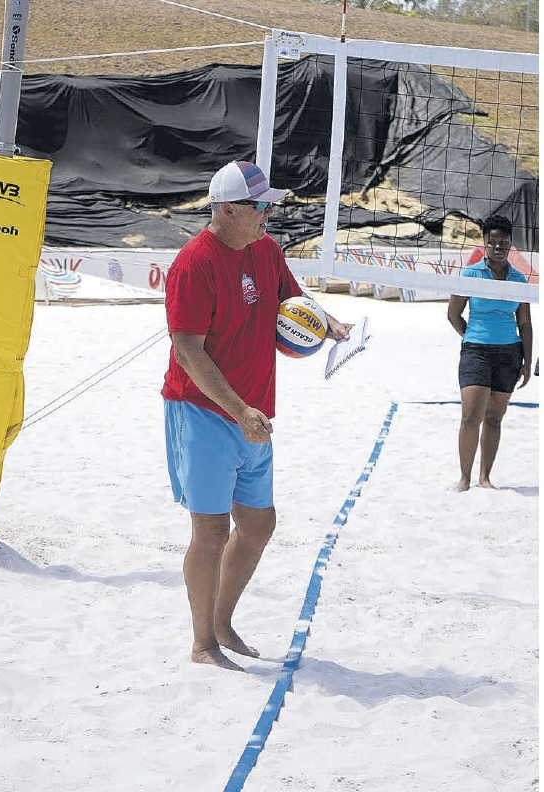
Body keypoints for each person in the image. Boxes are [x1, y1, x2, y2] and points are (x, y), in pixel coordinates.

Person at [162, 160, 350, 672]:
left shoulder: (265, 249)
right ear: (227, 208)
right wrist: (239, 409)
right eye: (261, 205)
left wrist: (325, 320)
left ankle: (222, 622)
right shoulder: (193, 264)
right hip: (202, 409)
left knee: (260, 523)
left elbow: (291, 298)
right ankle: (203, 644)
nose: (271, 212)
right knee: (211, 531)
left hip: (253, 411)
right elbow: (188, 352)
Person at [447, 215, 532, 492]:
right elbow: (453, 315)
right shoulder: (471, 274)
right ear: (485, 243)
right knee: (471, 416)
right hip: (477, 352)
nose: (497, 247)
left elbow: (525, 323)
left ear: (510, 245)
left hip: (510, 353)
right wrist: (473, 338)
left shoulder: (519, 280)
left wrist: (527, 362)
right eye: (492, 242)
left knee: (494, 418)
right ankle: (464, 478)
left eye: (503, 243)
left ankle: (485, 478)